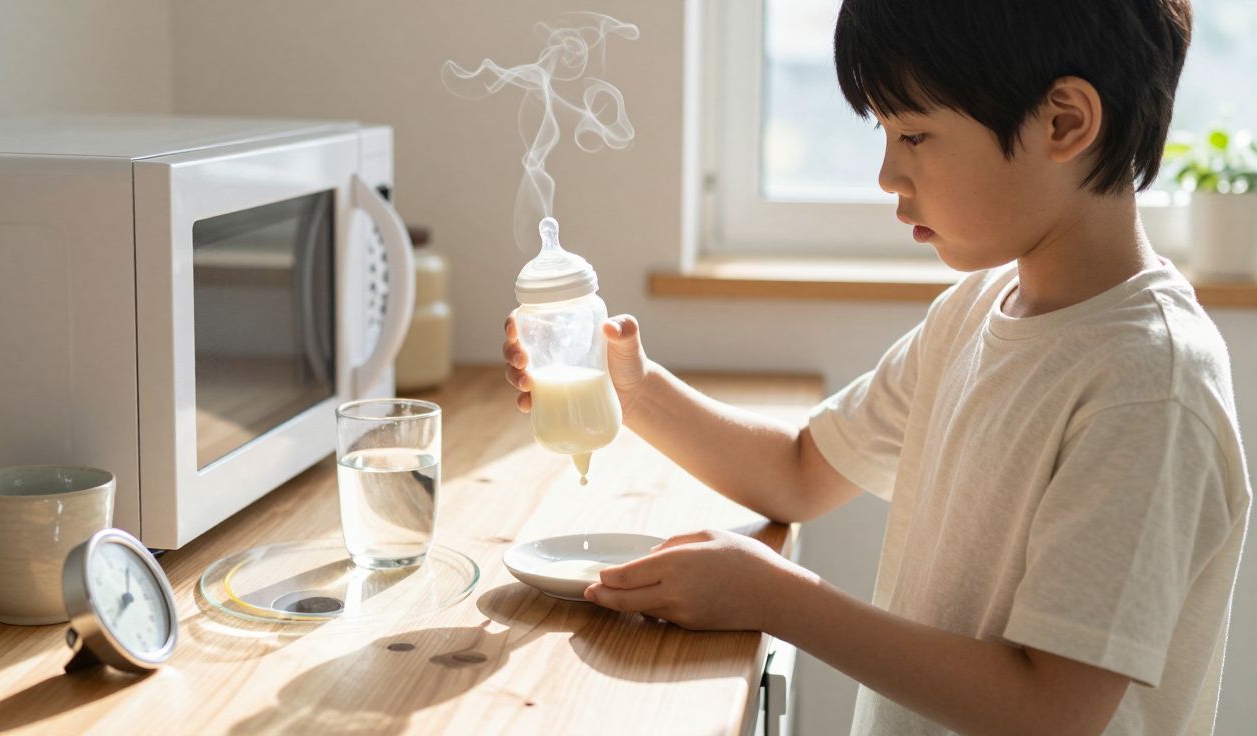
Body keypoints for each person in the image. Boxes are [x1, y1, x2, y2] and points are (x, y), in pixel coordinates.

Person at [501, 0, 1250, 733]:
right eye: (886, 133)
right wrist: (632, 389)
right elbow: (798, 472)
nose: (888, 174)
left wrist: (779, 599)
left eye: (914, 134)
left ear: (1064, 122)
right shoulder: (973, 312)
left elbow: (1051, 709)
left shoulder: (1150, 386)